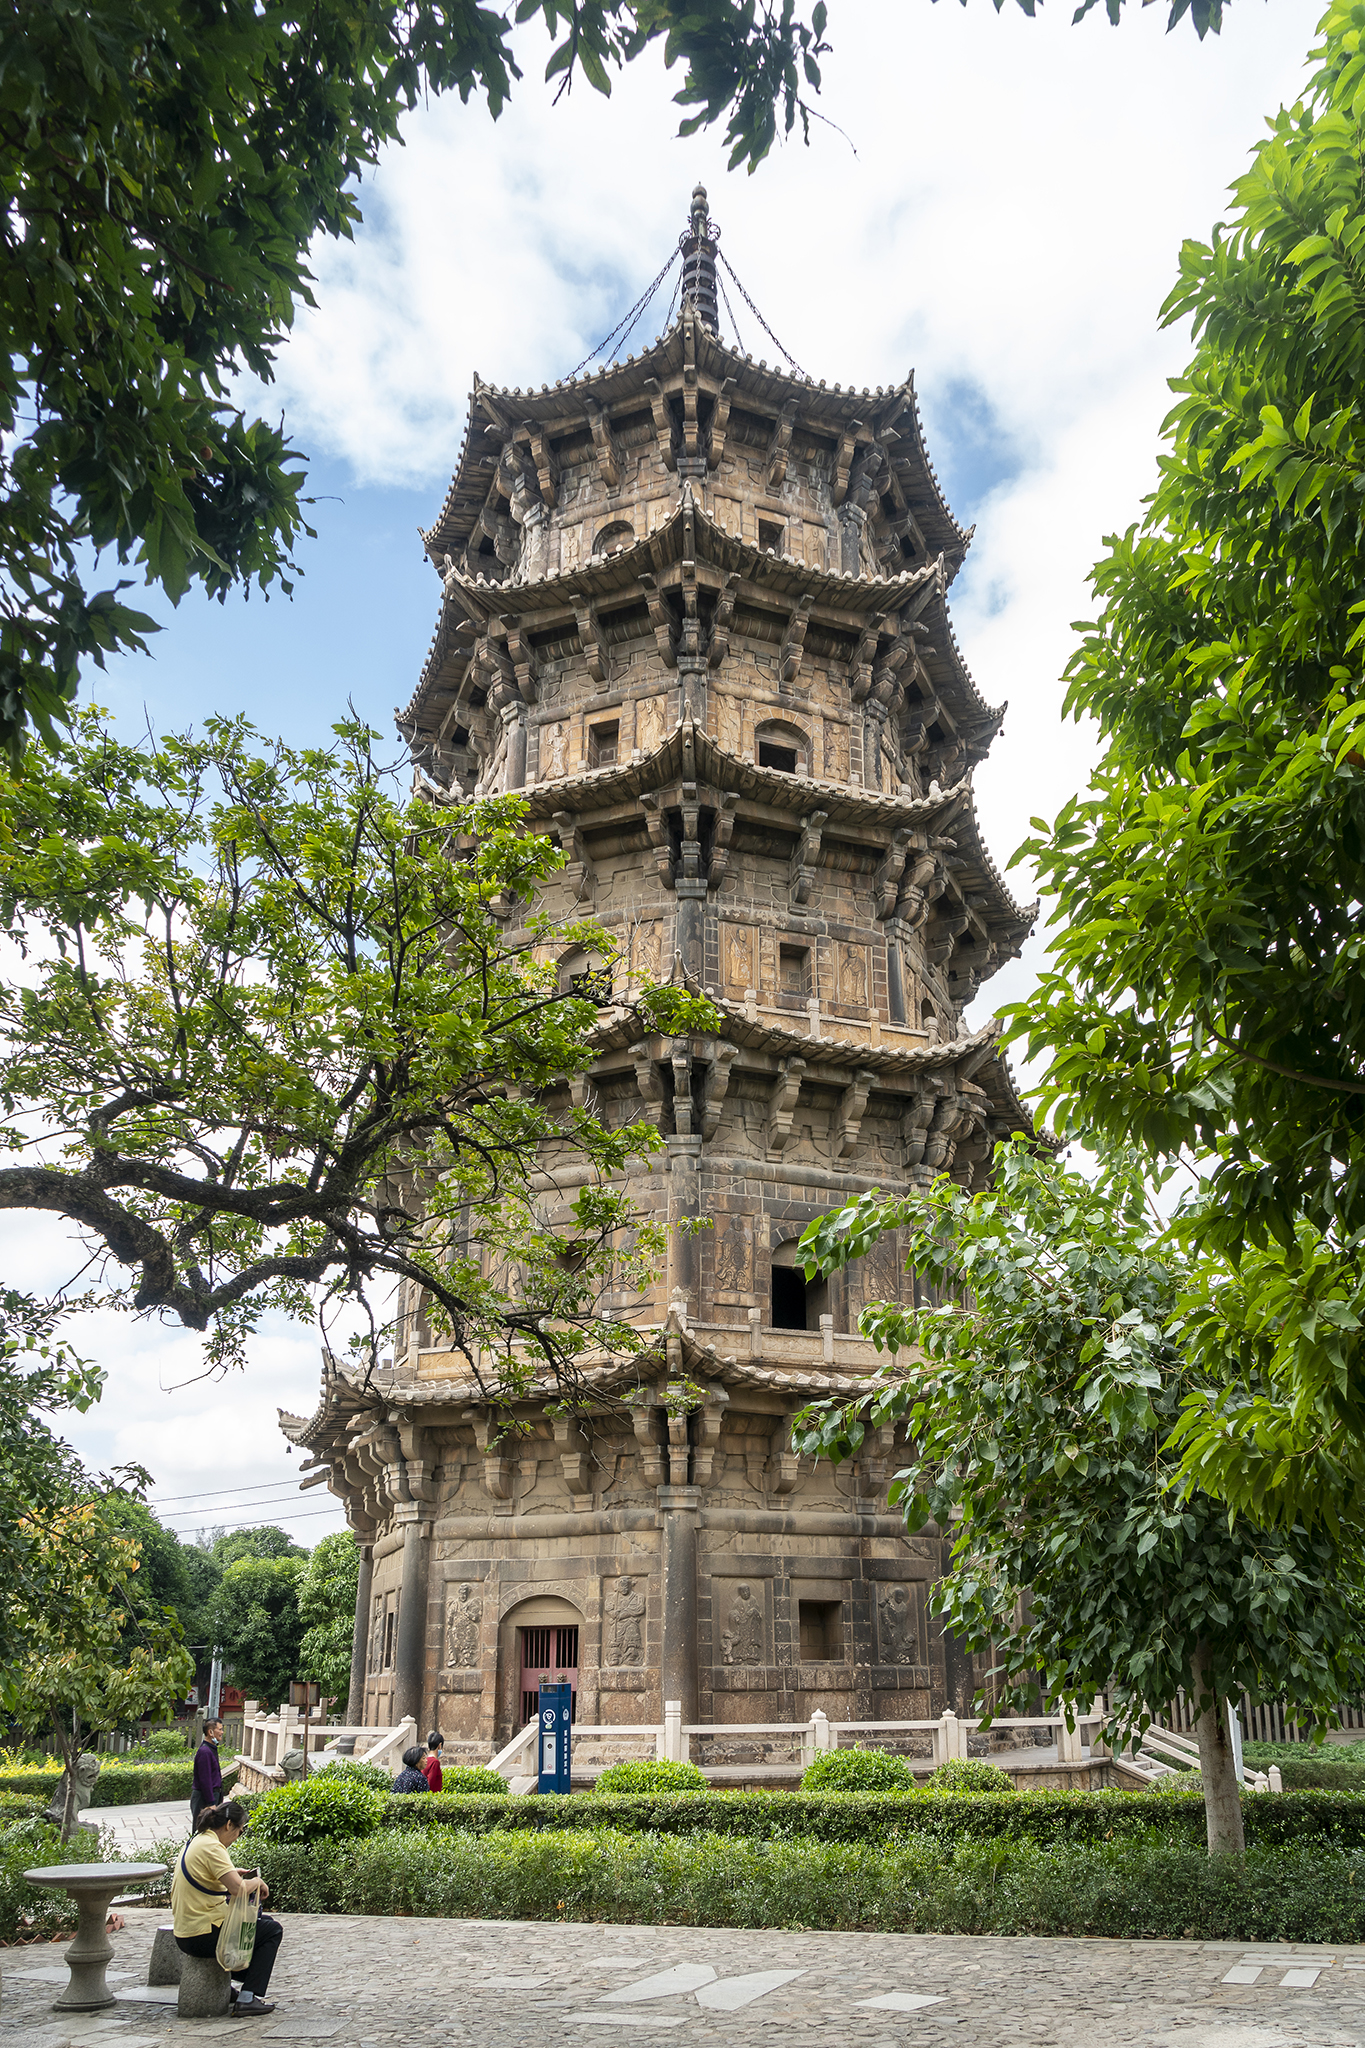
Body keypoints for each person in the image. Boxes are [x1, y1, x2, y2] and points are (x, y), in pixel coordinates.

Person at [170, 1798, 283, 2017]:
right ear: (229, 1825)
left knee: (264, 1924)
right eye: (239, 1831)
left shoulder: (199, 1840)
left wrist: (235, 1876)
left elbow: (215, 1879)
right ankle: (248, 1997)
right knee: (272, 1931)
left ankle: (228, 1987)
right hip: (202, 1935)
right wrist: (257, 1882)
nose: (237, 1837)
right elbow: (238, 1889)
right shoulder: (213, 1847)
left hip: (186, 1932)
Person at [190, 1718, 224, 1828]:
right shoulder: (204, 1752)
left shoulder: (211, 1749)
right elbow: (205, 1780)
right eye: (220, 1729)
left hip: (212, 1796)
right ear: (210, 1732)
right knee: (201, 1831)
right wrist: (211, 1804)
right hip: (203, 1798)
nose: (222, 1732)